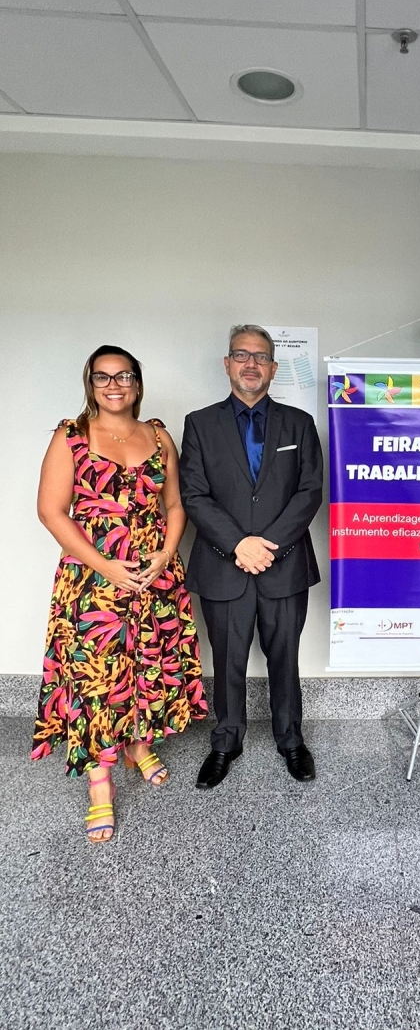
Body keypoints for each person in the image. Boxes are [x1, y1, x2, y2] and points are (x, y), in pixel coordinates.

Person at [33, 345, 207, 843]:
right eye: (103, 377)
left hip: (155, 577)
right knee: (98, 678)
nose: (114, 385)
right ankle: (100, 785)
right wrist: (105, 565)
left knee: (148, 663)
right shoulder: (71, 436)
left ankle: (138, 744)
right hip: (94, 580)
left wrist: (166, 554)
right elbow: (51, 511)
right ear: (90, 383)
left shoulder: (159, 436)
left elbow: (175, 506)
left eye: (124, 375)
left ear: (137, 383)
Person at [180, 324, 323, 788]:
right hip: (224, 565)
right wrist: (239, 544)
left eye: (260, 357)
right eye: (241, 355)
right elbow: (194, 494)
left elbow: (309, 492)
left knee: (285, 658)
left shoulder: (299, 423)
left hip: (285, 565)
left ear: (273, 368)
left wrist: (269, 545)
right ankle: (226, 742)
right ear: (227, 364)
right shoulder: (200, 423)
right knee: (227, 660)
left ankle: (291, 740)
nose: (251, 364)